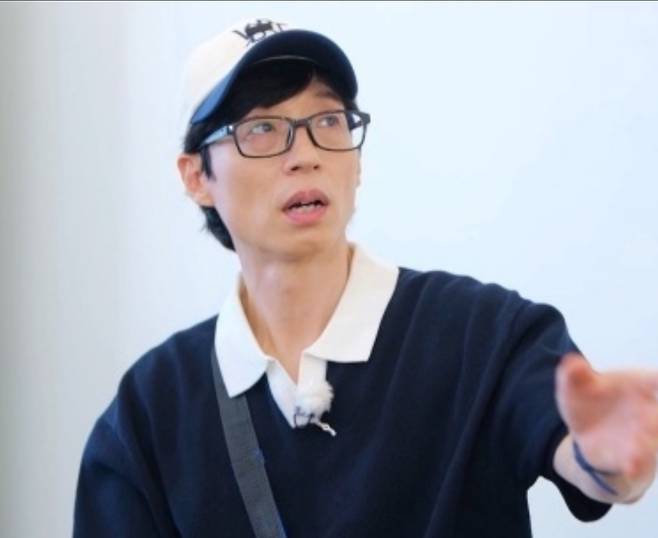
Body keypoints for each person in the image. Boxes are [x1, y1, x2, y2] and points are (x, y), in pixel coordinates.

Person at [73, 17, 658, 537]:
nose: (306, 154)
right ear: (197, 177)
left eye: (327, 120)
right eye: (261, 129)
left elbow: (582, 453)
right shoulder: (149, 412)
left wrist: (606, 461)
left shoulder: (483, 334)